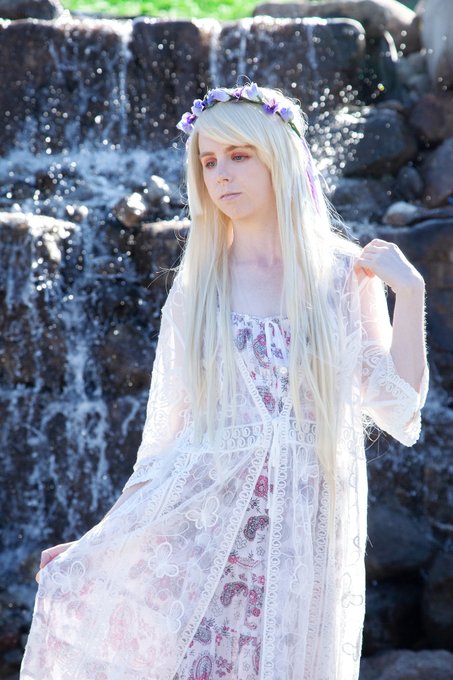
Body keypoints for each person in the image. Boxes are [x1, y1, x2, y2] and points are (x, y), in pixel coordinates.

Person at [20, 83, 428, 680]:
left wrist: (410, 292)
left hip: (307, 527)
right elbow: (165, 440)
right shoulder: (199, 287)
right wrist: (102, 540)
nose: (221, 175)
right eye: (208, 162)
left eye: (238, 155)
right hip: (208, 529)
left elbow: (400, 409)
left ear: (278, 158)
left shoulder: (343, 275)